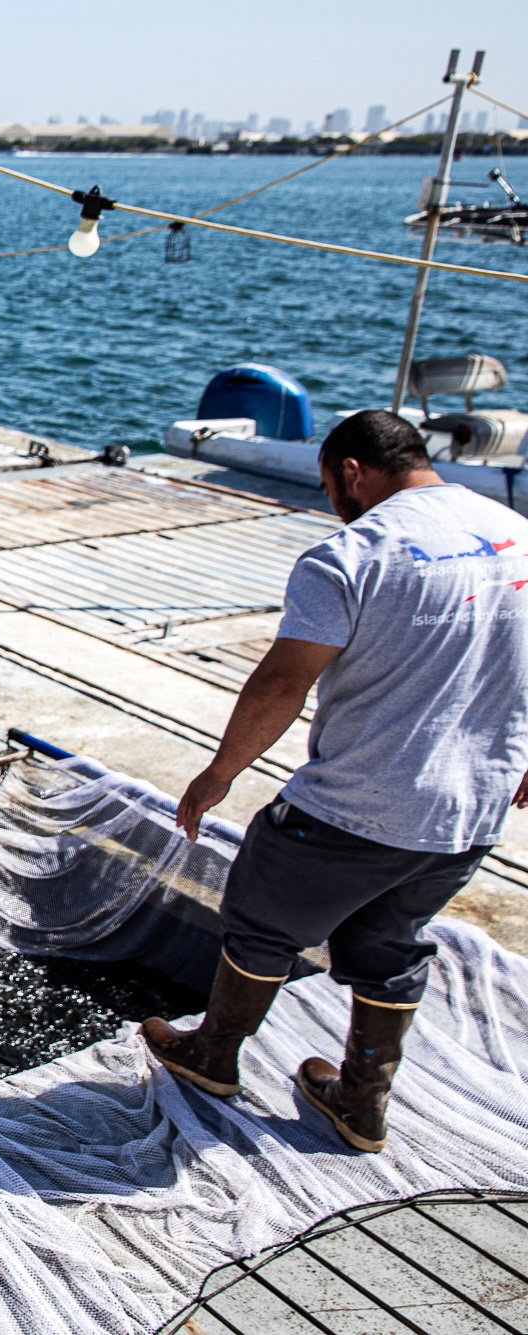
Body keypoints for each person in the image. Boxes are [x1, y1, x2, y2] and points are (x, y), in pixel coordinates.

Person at [148, 409, 528, 1153]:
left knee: (262, 915)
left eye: (329, 485)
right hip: (469, 813)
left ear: (353, 471)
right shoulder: (515, 530)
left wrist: (220, 772)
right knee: (392, 944)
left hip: (354, 806)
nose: (330, 500)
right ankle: (361, 1102)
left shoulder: (352, 553)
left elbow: (284, 681)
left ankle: (213, 1053)